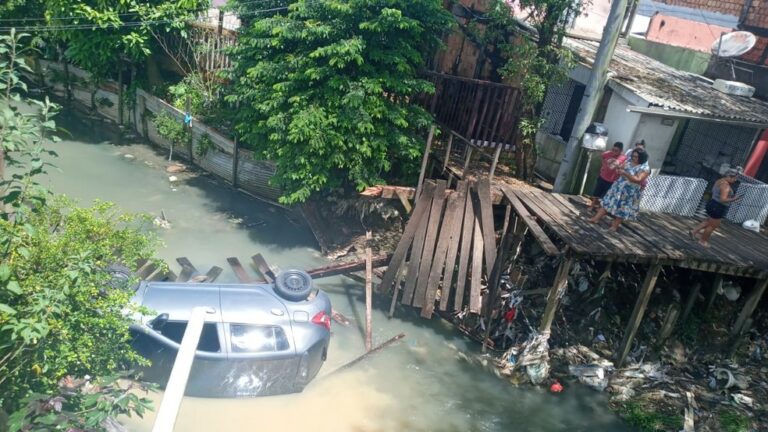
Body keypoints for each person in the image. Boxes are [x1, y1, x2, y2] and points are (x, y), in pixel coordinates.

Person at [587, 148, 651, 232]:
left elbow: (638, 179)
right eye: (633, 156)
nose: (633, 158)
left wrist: (625, 173)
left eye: (636, 157)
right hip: (618, 187)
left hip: (629, 191)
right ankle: (596, 218)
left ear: (641, 157)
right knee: (607, 202)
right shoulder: (628, 161)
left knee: (622, 208)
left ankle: (614, 226)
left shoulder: (645, 168)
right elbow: (620, 168)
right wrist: (617, 168)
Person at [690, 168, 741, 247]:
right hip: (718, 207)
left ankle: (694, 231)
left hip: (712, 203)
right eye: (735, 178)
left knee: (708, 221)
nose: (735, 181)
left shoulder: (719, 181)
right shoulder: (726, 186)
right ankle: (703, 241)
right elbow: (723, 199)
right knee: (712, 226)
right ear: (730, 177)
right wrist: (734, 199)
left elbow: (717, 194)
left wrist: (731, 199)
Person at [589, 142, 626, 212]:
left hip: (612, 180)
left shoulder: (622, 157)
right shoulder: (608, 153)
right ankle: (592, 205)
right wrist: (603, 165)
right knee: (596, 192)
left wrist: (615, 165)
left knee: (605, 195)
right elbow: (602, 156)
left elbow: (616, 163)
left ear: (621, 151)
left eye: (616, 151)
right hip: (602, 176)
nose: (614, 152)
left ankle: (599, 207)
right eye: (613, 150)